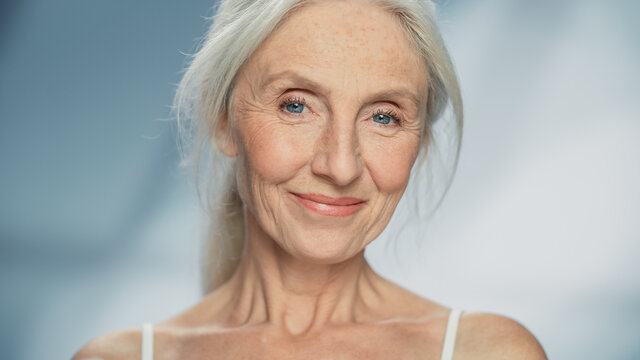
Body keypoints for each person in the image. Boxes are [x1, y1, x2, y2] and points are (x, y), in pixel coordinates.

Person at [73, 0, 547, 359]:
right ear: (222, 119)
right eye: (296, 105)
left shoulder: (486, 352)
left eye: (383, 117)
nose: (340, 166)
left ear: (419, 142)